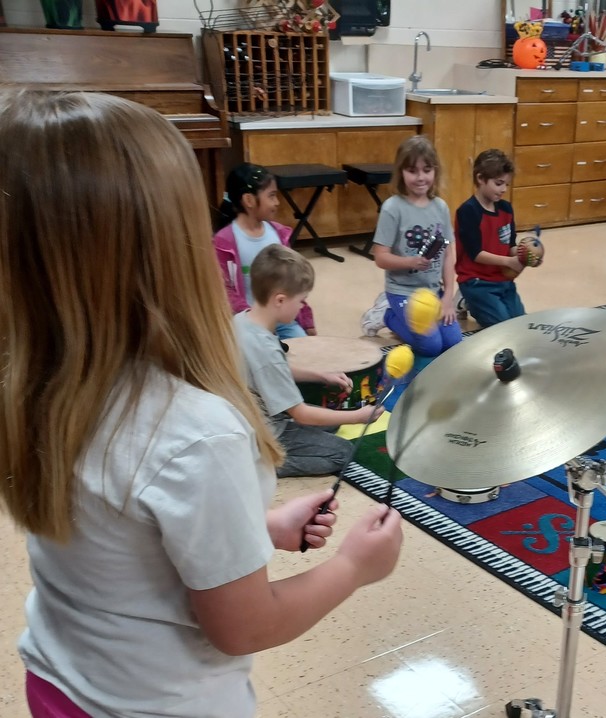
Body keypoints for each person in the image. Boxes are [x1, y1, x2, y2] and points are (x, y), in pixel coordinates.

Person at [0, 90, 402, 717]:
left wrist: (255, 533)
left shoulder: (36, 384)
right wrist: (354, 566)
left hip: (59, 684)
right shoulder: (198, 434)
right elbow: (244, 627)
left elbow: (118, 550)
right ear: (170, 252)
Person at [235, 244, 383, 478]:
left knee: (330, 421)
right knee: (342, 453)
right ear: (280, 300)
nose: (302, 306)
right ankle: (263, 465)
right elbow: (301, 414)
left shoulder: (243, 322)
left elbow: (271, 371)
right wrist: (358, 417)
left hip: (253, 422)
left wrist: (320, 375)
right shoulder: (264, 349)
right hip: (266, 435)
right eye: (301, 300)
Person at [360, 135, 461, 356]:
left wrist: (448, 297)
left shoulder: (440, 207)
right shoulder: (392, 208)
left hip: (433, 292)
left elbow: (448, 252)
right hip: (402, 291)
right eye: (412, 171)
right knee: (431, 346)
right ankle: (386, 314)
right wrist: (410, 262)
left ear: (435, 171)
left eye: (426, 170)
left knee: (453, 342)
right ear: (401, 172)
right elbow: (380, 257)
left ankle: (406, 316)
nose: (420, 177)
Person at [213, 162, 316, 339]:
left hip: (283, 319)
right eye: (272, 196)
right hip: (247, 323)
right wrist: (253, 322)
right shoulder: (224, 241)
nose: (277, 202)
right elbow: (225, 291)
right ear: (249, 200)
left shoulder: (279, 234)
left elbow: (294, 280)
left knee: (304, 350)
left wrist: (307, 321)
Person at [454, 149, 527, 327]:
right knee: (501, 328)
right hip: (476, 281)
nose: (503, 189)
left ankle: (470, 301)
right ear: (480, 178)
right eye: (498, 183)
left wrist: (524, 255)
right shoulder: (468, 211)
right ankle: (465, 299)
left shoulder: (506, 209)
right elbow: (475, 253)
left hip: (503, 280)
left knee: (522, 325)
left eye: (507, 184)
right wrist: (509, 262)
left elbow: (510, 245)